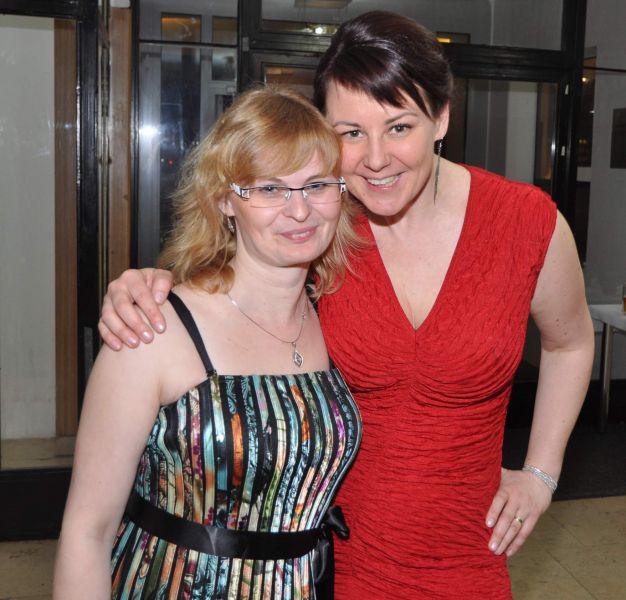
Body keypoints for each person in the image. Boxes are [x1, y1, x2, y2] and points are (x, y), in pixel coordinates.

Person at [96, 11, 595, 600]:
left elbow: (570, 343)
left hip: (470, 556)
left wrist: (541, 472)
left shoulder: (526, 223)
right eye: (350, 133)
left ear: (441, 117)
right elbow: (224, 286)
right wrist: (149, 285)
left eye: (399, 127)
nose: (375, 158)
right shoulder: (317, 223)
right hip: (328, 561)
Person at [53, 86, 362, 600]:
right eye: (270, 188)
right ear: (224, 200)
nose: (300, 210)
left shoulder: (334, 313)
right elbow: (88, 532)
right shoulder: (153, 328)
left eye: (316, 185)